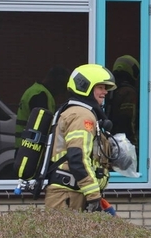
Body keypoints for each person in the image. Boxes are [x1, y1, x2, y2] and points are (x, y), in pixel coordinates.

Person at [44, 63, 117, 212]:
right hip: (68, 197)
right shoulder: (81, 115)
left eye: (106, 88)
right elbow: (78, 157)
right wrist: (93, 195)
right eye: (100, 87)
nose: (105, 92)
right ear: (86, 87)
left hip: (73, 193)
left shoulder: (80, 111)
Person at [15, 65, 69, 147]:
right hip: (31, 148)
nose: (61, 92)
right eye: (62, 86)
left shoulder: (35, 91)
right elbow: (42, 124)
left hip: (25, 146)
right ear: (56, 82)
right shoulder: (40, 95)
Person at [107, 54, 140, 147]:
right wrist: (133, 142)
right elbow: (128, 120)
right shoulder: (128, 92)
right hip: (124, 143)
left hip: (112, 139)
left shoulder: (109, 90)